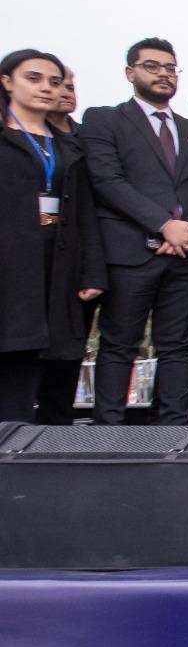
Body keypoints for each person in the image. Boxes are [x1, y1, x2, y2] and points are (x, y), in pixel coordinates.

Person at [79, 37, 188, 426]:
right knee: (120, 343)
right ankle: (108, 431)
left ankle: (173, 429)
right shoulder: (104, 120)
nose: (163, 74)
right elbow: (107, 181)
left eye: (170, 68)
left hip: (186, 253)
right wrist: (164, 225)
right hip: (130, 252)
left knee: (178, 346)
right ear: (130, 72)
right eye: (152, 66)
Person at [0, 50, 105, 422]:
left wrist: (93, 272)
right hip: (12, 265)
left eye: (55, 82)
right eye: (34, 78)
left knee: (61, 363)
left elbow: (86, 213)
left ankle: (52, 445)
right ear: (7, 81)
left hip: (62, 265)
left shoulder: (69, 146)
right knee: (14, 361)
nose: (47, 88)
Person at [35, 63, 87, 423]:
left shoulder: (82, 141)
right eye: (55, 84)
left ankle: (55, 430)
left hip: (70, 258)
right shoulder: (14, 138)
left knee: (66, 351)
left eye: (66, 85)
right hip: (24, 256)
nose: (62, 92)